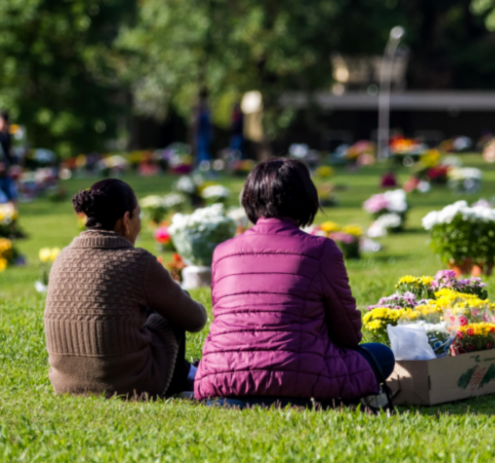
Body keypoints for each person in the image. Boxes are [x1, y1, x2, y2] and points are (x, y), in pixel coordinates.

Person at [194, 159, 394, 409]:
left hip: (222, 379)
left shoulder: (223, 252)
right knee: (382, 355)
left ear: (249, 199)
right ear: (306, 198)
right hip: (301, 379)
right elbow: (348, 336)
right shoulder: (321, 250)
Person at [44, 179, 207, 398]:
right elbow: (195, 319)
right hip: (129, 386)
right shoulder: (138, 262)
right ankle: (182, 380)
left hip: (64, 386)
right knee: (171, 307)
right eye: (138, 215)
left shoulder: (62, 258)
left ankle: (187, 372)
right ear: (126, 219)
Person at [0, 112, 18, 205]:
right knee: (2, 201)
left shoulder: (6, 136)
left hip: (6, 173)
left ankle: (11, 218)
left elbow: (9, 154)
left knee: (12, 198)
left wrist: (14, 164)